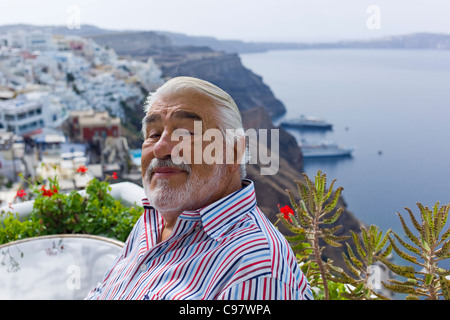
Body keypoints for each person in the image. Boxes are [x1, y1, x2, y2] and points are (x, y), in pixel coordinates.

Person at [85, 76, 313, 300]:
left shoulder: (255, 271)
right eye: (154, 134)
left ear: (234, 152)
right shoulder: (154, 221)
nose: (161, 149)